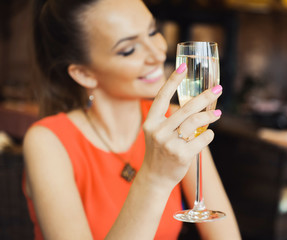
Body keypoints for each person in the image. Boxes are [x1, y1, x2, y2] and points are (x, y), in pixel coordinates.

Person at [23, 0, 241, 239]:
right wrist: (154, 179)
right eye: (128, 49)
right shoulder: (47, 142)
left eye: (153, 31)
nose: (158, 53)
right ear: (84, 73)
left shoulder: (176, 121)